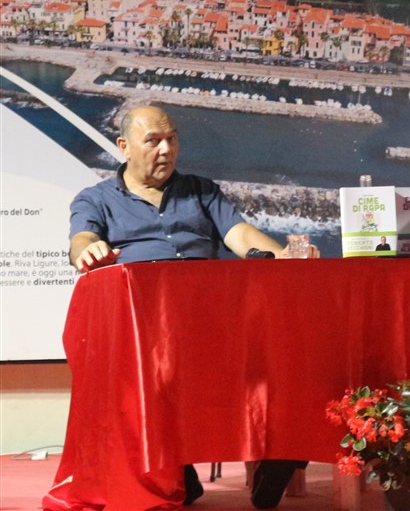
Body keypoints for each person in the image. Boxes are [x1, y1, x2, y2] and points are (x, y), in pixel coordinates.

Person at [67, 105, 313, 509]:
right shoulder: (96, 199)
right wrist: (87, 249)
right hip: (144, 329)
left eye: (172, 139)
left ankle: (281, 452)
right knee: (155, 372)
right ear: (124, 146)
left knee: (289, 352)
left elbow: (240, 235)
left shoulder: (201, 190)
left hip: (212, 319)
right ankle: (177, 469)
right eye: (153, 141)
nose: (166, 150)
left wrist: (284, 257)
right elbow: (82, 238)